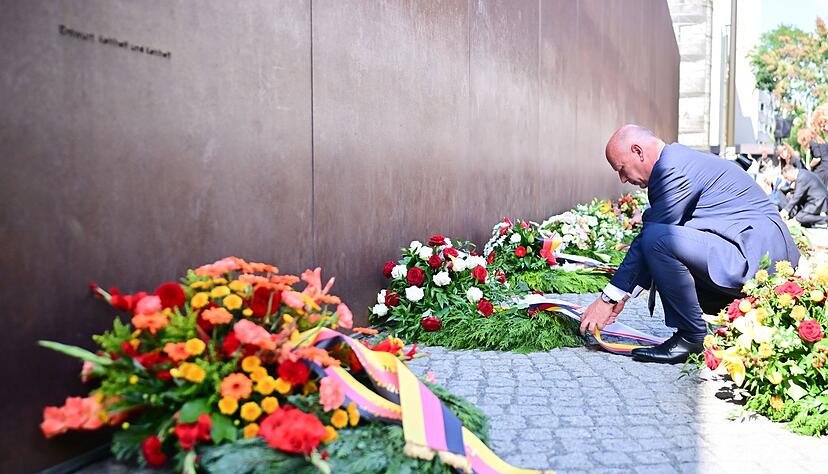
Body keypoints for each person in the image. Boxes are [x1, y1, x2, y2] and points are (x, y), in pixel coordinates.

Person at [579, 125, 801, 364]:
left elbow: (652, 239)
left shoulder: (671, 169)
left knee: (659, 238)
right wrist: (622, 297)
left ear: (638, 151)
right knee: (661, 239)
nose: (623, 178)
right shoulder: (678, 160)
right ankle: (730, 320)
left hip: (757, 259)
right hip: (755, 254)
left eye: (621, 169)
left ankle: (691, 337)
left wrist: (608, 299)